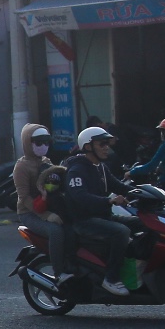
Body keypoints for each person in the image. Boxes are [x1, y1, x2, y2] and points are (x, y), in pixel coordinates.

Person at [65, 126, 134, 297]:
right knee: (121, 232)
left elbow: (118, 186)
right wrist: (109, 200)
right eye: (102, 144)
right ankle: (111, 278)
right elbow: (81, 197)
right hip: (84, 221)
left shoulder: (101, 167)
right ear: (88, 147)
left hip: (103, 216)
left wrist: (143, 191)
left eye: (107, 143)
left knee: (140, 223)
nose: (106, 147)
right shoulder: (77, 170)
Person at [12, 124, 62, 246]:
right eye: (39, 142)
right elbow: (24, 198)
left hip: (48, 206)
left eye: (46, 142)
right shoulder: (21, 167)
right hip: (28, 212)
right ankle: (58, 265)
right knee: (55, 231)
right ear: (28, 143)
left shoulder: (46, 161)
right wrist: (46, 215)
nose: (44, 146)